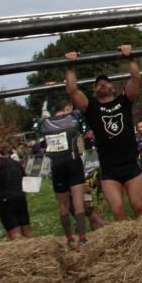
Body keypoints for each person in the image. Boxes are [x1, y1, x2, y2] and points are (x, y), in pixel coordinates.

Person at [65, 45, 142, 222]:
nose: (102, 83)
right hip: (109, 169)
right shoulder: (91, 108)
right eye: (98, 83)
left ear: (113, 88)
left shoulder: (124, 101)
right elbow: (71, 90)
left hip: (131, 164)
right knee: (117, 211)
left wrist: (129, 57)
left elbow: (136, 78)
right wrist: (70, 66)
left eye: (106, 81)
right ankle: (127, 245)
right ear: (94, 92)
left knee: (138, 206)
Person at [38, 96, 90, 250]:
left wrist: (46, 98)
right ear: (68, 108)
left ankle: (68, 239)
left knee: (63, 206)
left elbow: (44, 111)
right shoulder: (73, 118)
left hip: (57, 166)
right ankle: (82, 238)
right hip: (73, 163)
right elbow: (82, 112)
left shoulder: (46, 123)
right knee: (78, 203)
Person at [0, 146, 32, 240]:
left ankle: (20, 248)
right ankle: (34, 246)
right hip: (20, 196)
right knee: (25, 224)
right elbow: (25, 177)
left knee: (14, 227)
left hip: (7, 199)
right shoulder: (15, 162)